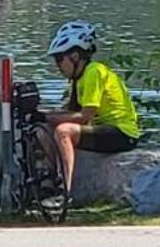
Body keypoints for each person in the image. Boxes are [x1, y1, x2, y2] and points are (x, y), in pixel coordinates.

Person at [42, 20, 140, 205]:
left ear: (75, 55)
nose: (58, 65)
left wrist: (46, 115)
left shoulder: (94, 72)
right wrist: (43, 116)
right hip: (103, 129)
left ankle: (65, 192)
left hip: (122, 133)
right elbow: (70, 112)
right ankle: (47, 185)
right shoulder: (79, 78)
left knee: (64, 131)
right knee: (44, 128)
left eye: (59, 59)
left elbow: (84, 117)